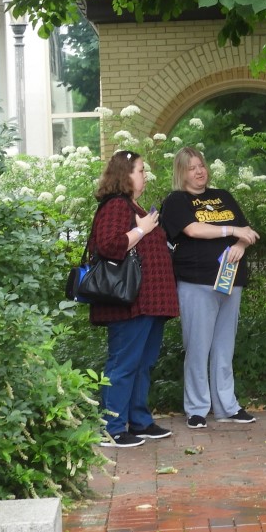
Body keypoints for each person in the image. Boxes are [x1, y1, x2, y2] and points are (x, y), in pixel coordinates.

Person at [160, 146, 260, 429]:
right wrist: (232, 231)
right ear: (181, 173)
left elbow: (248, 231)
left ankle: (227, 406)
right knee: (198, 347)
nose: (199, 171)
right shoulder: (177, 200)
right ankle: (196, 409)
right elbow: (193, 230)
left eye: (201, 165)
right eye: (191, 168)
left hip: (230, 280)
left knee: (224, 348)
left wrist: (240, 244)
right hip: (196, 282)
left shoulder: (223, 196)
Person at [87, 149, 180, 448]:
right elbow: (108, 245)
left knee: (143, 363)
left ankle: (139, 421)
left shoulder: (132, 206)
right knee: (124, 364)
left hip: (149, 302)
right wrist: (141, 229)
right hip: (129, 302)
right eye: (140, 170)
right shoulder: (116, 205)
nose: (145, 175)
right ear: (124, 174)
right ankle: (111, 428)